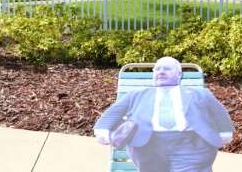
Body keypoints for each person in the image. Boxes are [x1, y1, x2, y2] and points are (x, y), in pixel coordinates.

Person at [94, 56, 234, 172]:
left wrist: (225, 131)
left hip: (190, 145)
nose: (160, 72)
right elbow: (113, 113)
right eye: (157, 69)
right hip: (148, 146)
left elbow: (219, 112)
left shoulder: (199, 93)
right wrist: (102, 130)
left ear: (179, 74)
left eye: (166, 69)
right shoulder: (137, 94)